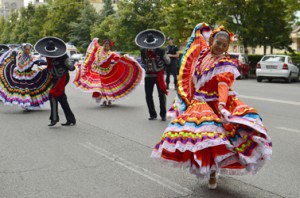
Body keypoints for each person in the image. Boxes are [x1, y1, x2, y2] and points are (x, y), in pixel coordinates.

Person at [151, 23, 272, 189]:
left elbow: (223, 84)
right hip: (198, 102)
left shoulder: (225, 63)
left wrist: (222, 105)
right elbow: (193, 45)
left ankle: (213, 173)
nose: (220, 47)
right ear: (212, 41)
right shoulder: (203, 54)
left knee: (215, 140)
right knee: (197, 138)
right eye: (218, 43)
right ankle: (207, 167)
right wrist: (197, 29)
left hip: (215, 104)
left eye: (224, 45)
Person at [73, 38, 144, 106]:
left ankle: (109, 99)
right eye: (105, 46)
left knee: (108, 87)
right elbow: (95, 45)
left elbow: (117, 57)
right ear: (103, 45)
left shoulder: (111, 54)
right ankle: (104, 99)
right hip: (98, 71)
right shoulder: (99, 50)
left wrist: (113, 62)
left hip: (109, 72)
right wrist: (95, 41)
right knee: (101, 86)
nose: (106, 47)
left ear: (110, 47)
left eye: (108, 46)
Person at [35, 37, 76, 126]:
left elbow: (72, 68)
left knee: (52, 95)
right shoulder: (48, 55)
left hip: (62, 77)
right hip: (54, 78)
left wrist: (69, 63)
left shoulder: (63, 56)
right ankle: (71, 119)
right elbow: (51, 65)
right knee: (62, 99)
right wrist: (41, 63)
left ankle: (54, 118)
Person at [0, 43, 51, 110]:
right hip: (20, 76)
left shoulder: (32, 57)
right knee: (22, 90)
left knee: (30, 90)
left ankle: (29, 104)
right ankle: (25, 104)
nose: (27, 50)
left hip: (29, 76)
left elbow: (39, 61)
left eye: (28, 49)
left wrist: (47, 63)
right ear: (23, 49)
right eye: (26, 49)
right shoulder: (19, 56)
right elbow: (15, 63)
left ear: (30, 49)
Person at [135, 29, 171, 121]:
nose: (150, 47)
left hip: (158, 75)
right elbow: (143, 61)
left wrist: (164, 56)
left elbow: (168, 61)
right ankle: (152, 114)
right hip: (148, 76)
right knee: (148, 95)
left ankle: (163, 114)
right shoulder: (143, 50)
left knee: (161, 95)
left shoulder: (161, 50)